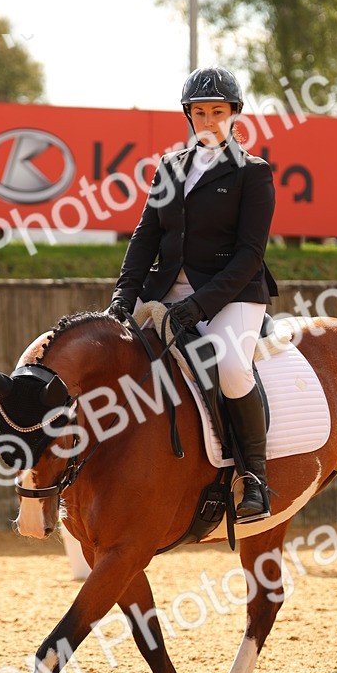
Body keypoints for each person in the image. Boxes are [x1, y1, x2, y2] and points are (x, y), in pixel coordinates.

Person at [107, 66, 278, 522]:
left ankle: (254, 478)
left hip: (233, 293)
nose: (207, 121)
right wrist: (124, 295)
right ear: (189, 115)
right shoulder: (170, 167)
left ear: (235, 114)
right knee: (105, 351)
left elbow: (249, 255)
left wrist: (195, 308)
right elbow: (145, 237)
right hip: (165, 290)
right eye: (199, 112)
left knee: (232, 368)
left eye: (217, 112)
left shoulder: (253, 173)